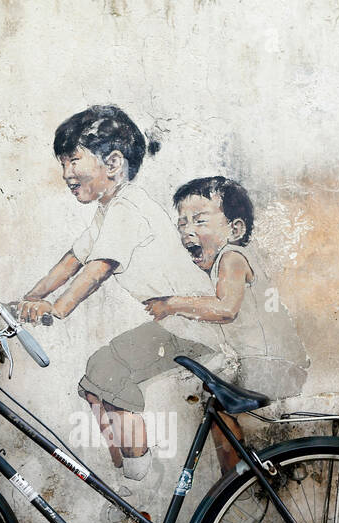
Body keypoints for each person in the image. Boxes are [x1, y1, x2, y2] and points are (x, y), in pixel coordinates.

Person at [16, 105, 229, 484]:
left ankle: (138, 481)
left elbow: (98, 269)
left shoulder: (129, 207)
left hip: (192, 328)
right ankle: (126, 474)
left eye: (74, 161)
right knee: (97, 375)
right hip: (174, 326)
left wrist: (56, 308)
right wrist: (26, 299)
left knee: (108, 372)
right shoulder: (109, 209)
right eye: (63, 163)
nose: (66, 174)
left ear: (112, 163)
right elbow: (73, 260)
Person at [144, 176, 310, 474]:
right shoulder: (226, 260)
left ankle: (236, 483)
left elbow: (225, 310)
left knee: (218, 407)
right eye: (182, 223)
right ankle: (240, 479)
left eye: (199, 221)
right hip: (269, 362)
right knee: (216, 404)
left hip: (272, 365)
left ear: (235, 229)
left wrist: (171, 304)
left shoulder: (231, 257)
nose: (187, 231)